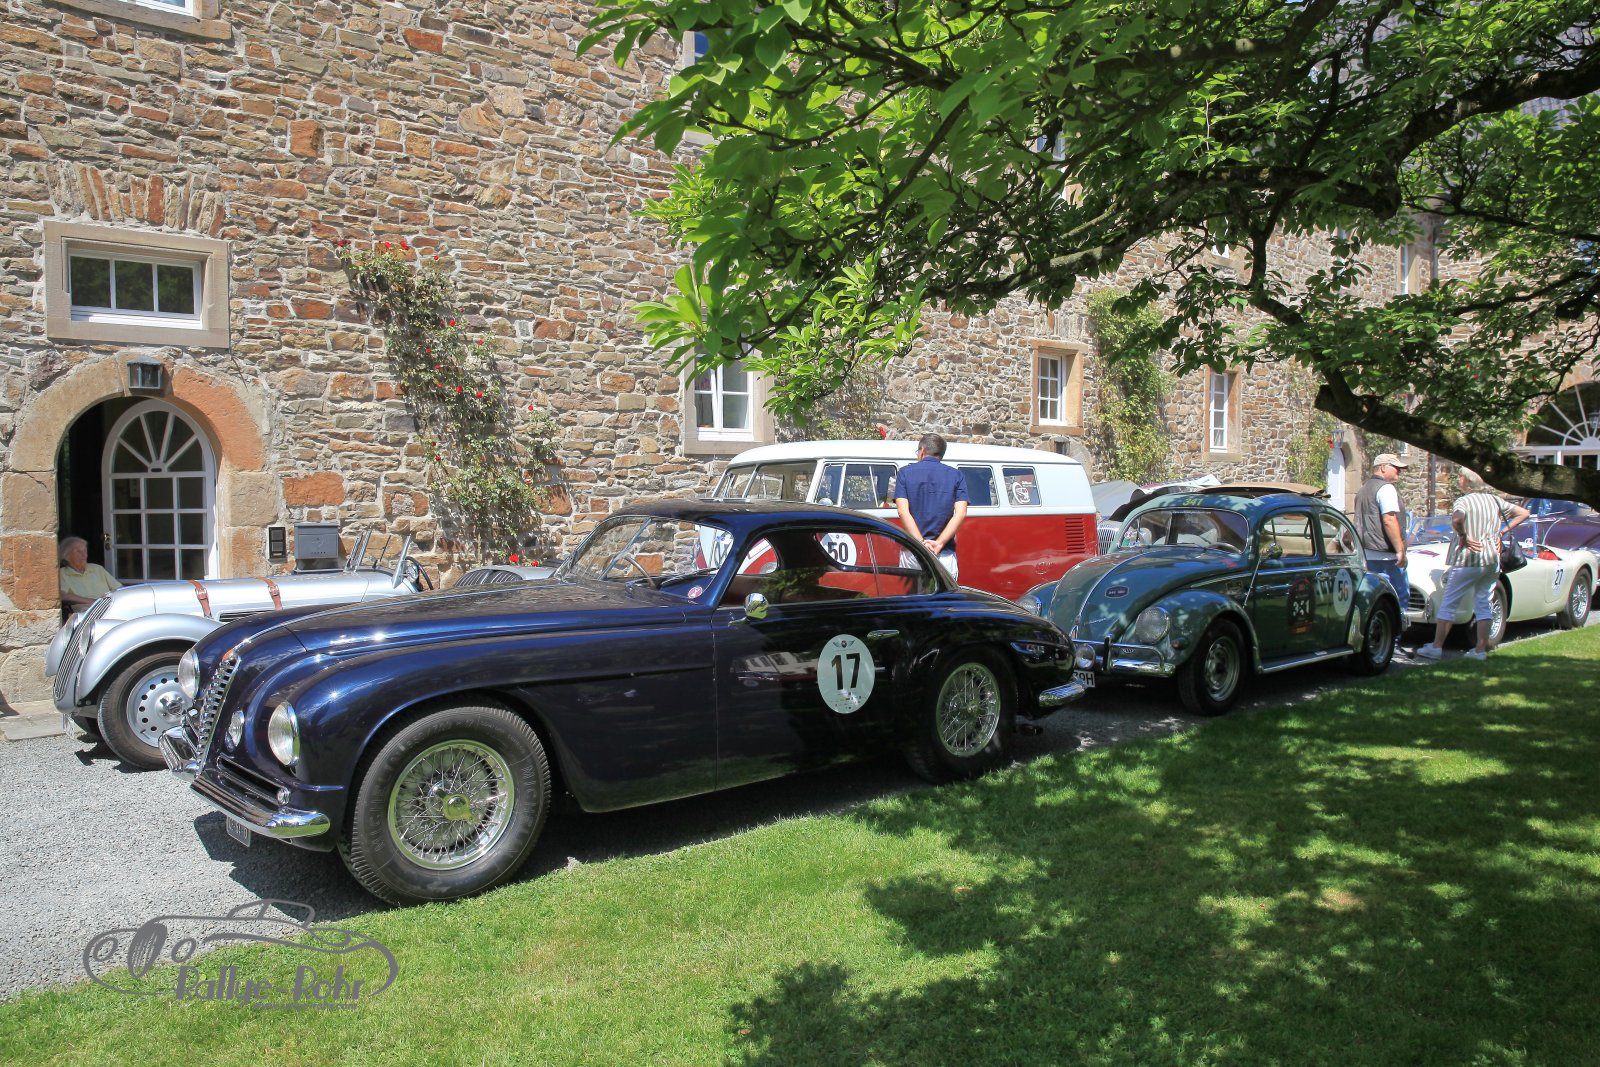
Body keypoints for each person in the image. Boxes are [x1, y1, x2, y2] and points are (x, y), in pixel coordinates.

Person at [1414, 470, 1529, 661]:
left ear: (1468, 481)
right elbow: (1524, 513)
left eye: (1460, 477)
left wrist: (1464, 536)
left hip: (1469, 559)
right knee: (1484, 603)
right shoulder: (1494, 500)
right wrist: (1501, 532)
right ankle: (1480, 649)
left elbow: (1457, 519)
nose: (1458, 479)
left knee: (1449, 603)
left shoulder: (1464, 501)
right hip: (1492, 559)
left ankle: (1436, 647)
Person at [893, 433, 969, 581]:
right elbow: (961, 513)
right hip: (943, 553)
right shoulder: (957, 476)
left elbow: (903, 511)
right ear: (941, 454)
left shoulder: (904, 473)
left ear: (922, 451)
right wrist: (939, 543)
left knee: (912, 594)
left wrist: (921, 543)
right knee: (944, 595)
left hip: (913, 552)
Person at [1354, 452, 1410, 627]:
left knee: (1373, 601)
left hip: (1367, 554)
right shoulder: (1386, 489)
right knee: (1398, 599)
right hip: (1386, 557)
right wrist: (1400, 550)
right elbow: (1389, 519)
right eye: (1396, 468)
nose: (1399, 471)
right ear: (1383, 467)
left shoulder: (1363, 489)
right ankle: (1395, 637)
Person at [58, 535, 121, 611]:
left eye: (85, 551)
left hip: (110, 606)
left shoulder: (97, 569)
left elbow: (118, 588)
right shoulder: (62, 574)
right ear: (66, 556)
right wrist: (93, 602)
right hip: (87, 612)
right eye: (78, 551)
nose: (84, 555)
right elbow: (62, 595)